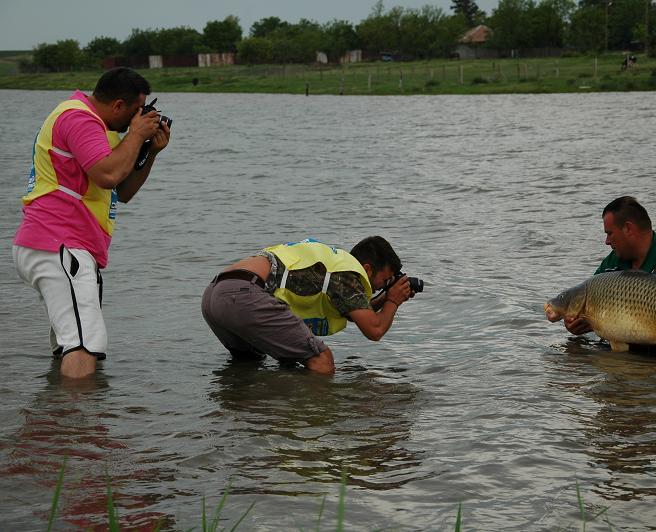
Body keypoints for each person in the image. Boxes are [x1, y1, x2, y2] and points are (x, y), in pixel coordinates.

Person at [12, 67, 171, 380]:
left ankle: (58, 421)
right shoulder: (79, 119)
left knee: (70, 344)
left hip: (58, 246)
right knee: (84, 346)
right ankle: (80, 426)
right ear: (118, 106)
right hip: (59, 243)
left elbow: (121, 190)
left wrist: (148, 151)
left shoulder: (100, 128)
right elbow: (108, 174)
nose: (139, 119)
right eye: (137, 111)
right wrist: (137, 135)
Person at [201, 237, 415, 374]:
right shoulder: (349, 274)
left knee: (249, 365)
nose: (381, 287)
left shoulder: (334, 265)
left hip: (216, 295)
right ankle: (310, 421)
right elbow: (374, 330)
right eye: (384, 281)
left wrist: (385, 299)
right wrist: (393, 300)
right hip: (245, 296)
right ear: (367, 269)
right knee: (322, 360)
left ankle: (244, 424)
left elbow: (353, 310)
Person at [565, 196, 656, 340]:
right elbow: (588, 298)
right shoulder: (611, 263)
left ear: (628, 228)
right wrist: (576, 322)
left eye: (609, 233)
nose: (607, 241)